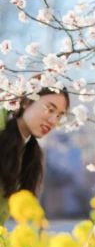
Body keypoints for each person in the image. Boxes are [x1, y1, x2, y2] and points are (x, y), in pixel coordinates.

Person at [0, 86, 70, 225]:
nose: (53, 120)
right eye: (50, 109)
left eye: (59, 115)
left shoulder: (29, 154)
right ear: (27, 102)